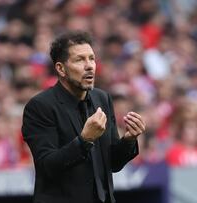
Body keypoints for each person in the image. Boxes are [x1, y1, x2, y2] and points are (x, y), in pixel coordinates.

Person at [21, 31, 145, 203]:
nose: (89, 66)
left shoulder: (102, 98)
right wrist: (84, 140)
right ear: (61, 69)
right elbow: (47, 166)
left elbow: (113, 163)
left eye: (92, 58)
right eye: (80, 60)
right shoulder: (40, 106)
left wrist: (129, 140)